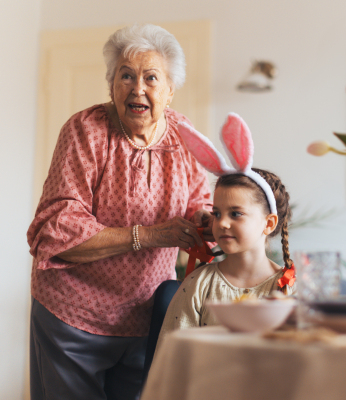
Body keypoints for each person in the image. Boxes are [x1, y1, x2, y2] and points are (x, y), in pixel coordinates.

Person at [26, 24, 213, 400]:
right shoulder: (86, 130)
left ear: (170, 90)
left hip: (146, 316)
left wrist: (207, 220)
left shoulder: (182, 134)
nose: (137, 88)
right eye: (125, 76)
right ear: (111, 84)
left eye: (151, 78)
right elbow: (58, 230)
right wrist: (150, 235)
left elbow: (198, 200)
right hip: (73, 318)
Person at [155, 114, 296, 351]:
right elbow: (173, 359)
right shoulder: (198, 285)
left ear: (269, 224)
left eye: (236, 214)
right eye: (217, 213)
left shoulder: (289, 288)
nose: (222, 224)